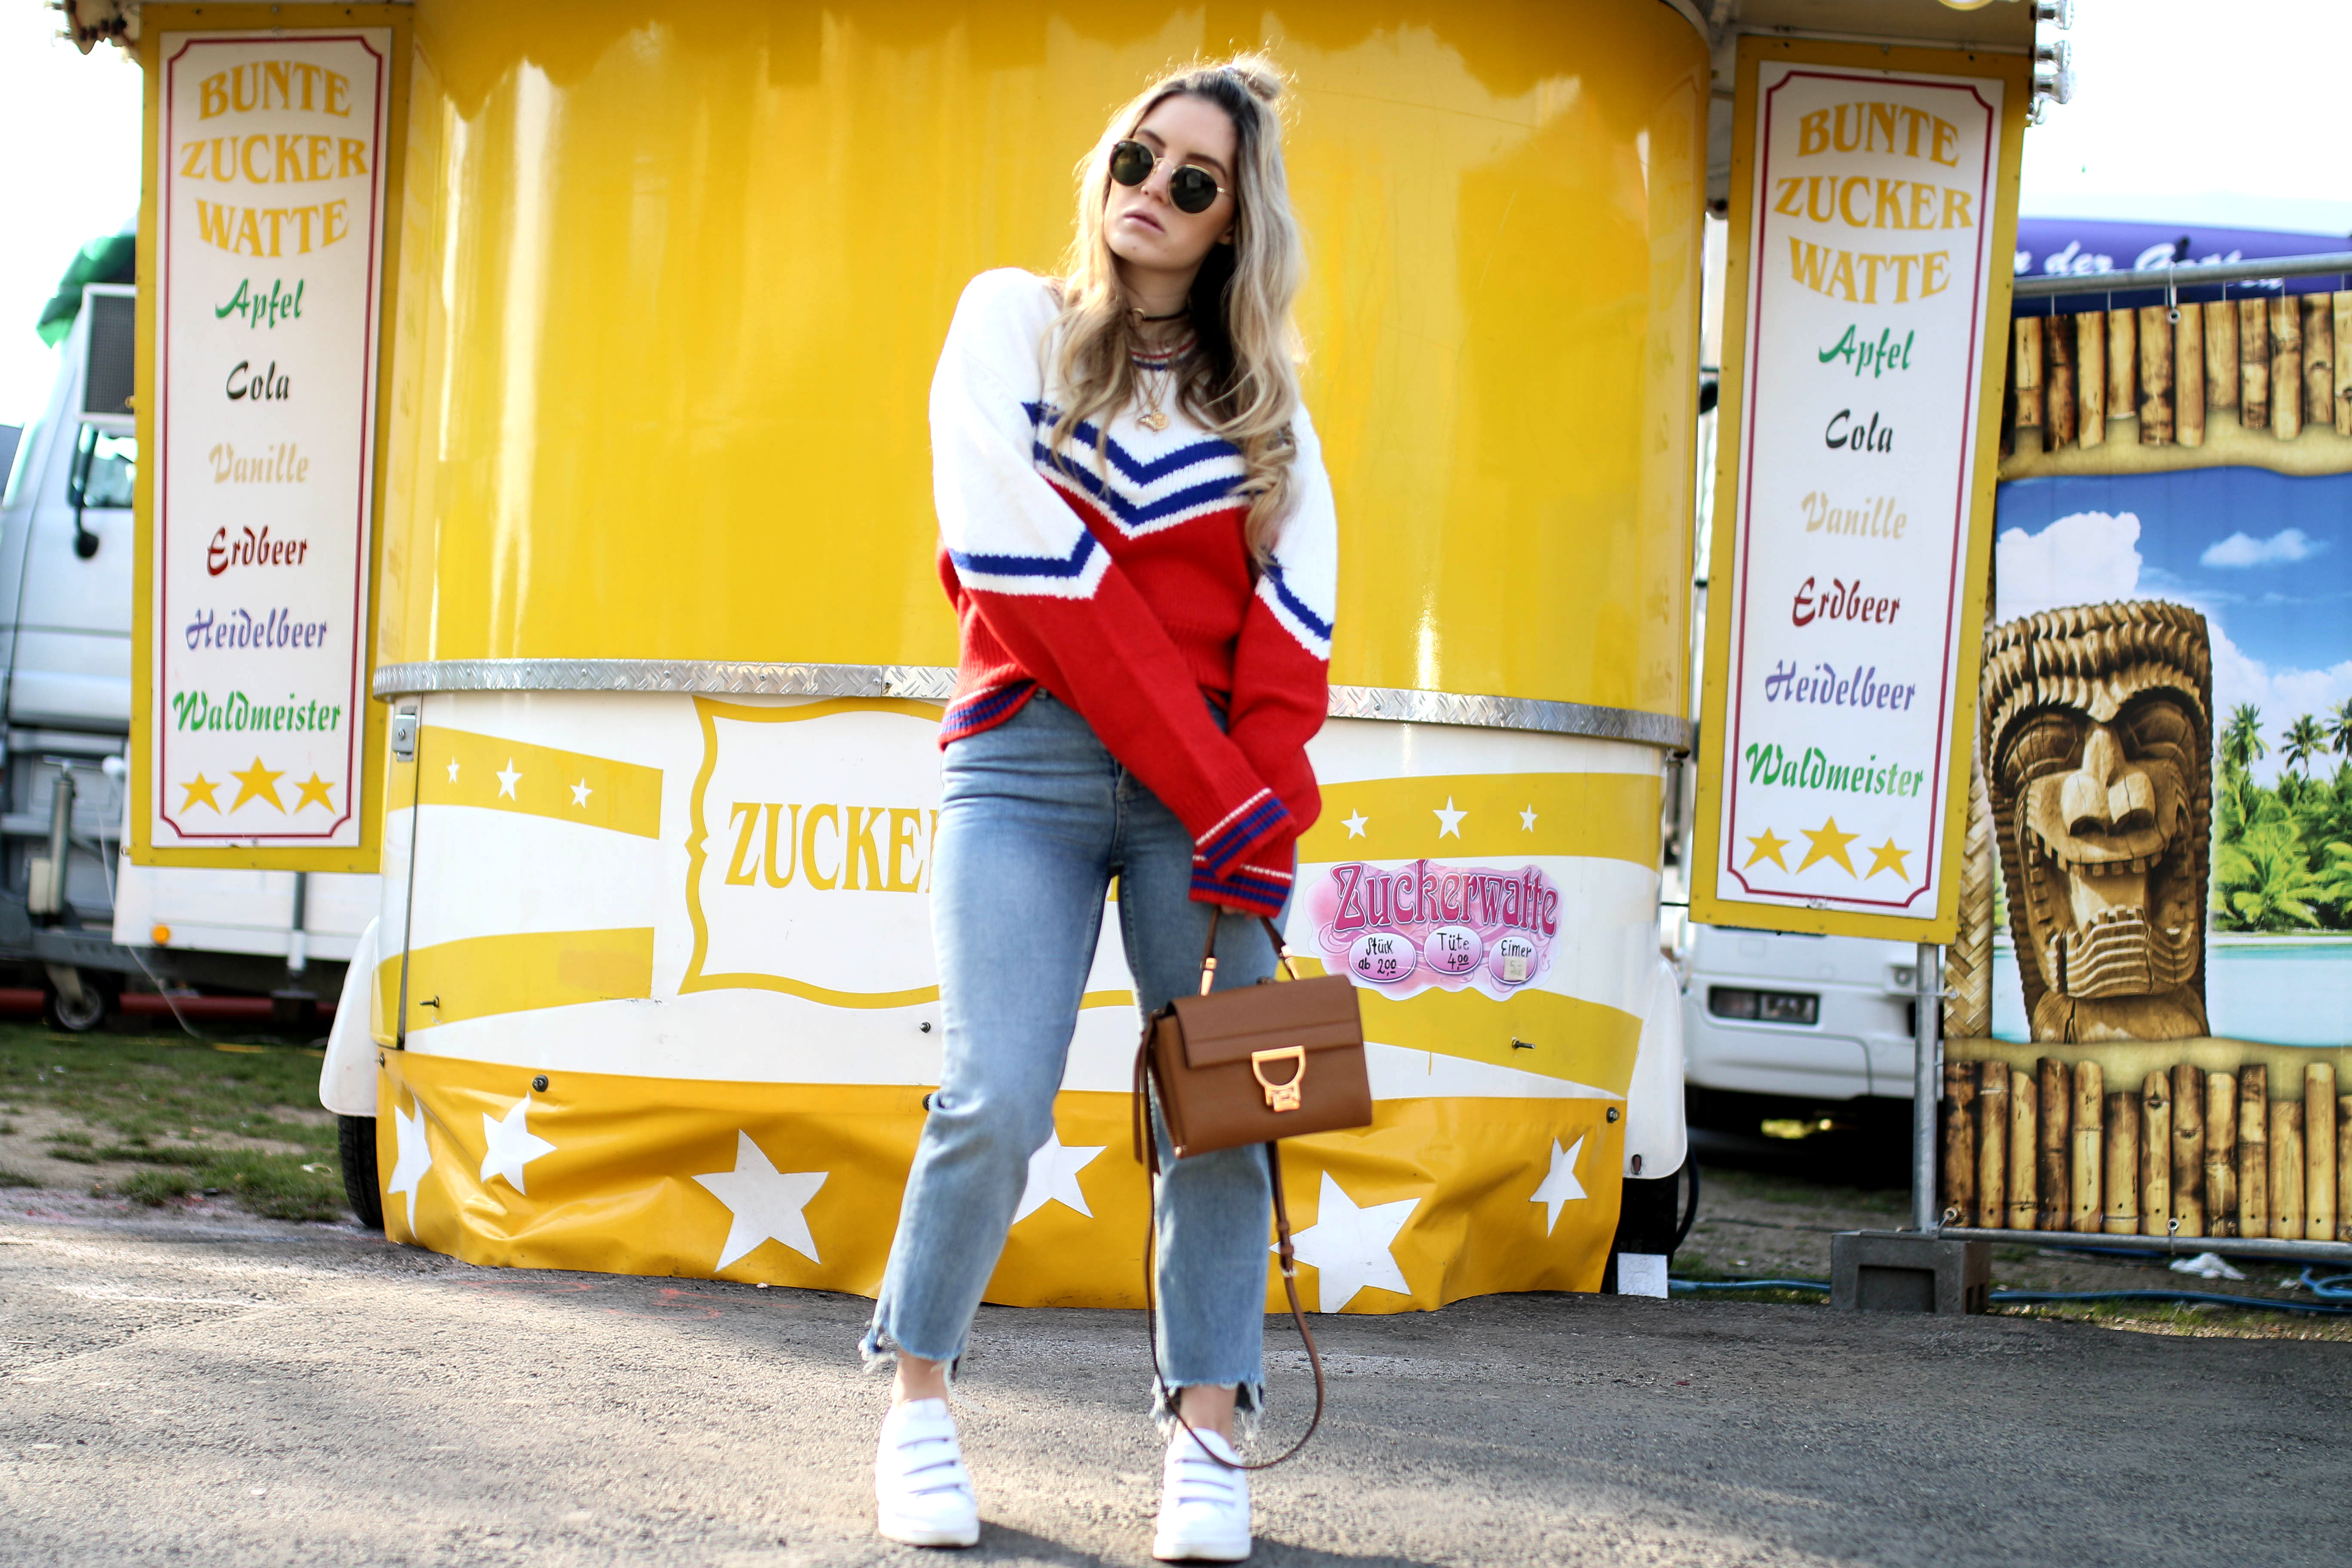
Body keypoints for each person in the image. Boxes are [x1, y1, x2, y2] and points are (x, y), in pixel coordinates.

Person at [861, 53, 1338, 1564]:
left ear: (1232, 221)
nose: (1153, 192)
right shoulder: (1010, 322)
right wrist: (1222, 794)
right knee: (994, 1093)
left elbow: (1293, 642)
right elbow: (1036, 585)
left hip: (1214, 806)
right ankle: (916, 1401)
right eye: (1137, 157)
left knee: (1225, 1111)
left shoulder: (1269, 410)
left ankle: (1208, 1433)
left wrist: (1258, 816)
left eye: (1194, 181)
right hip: (1029, 765)